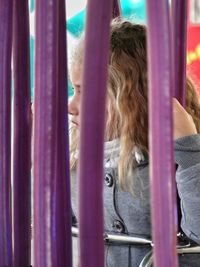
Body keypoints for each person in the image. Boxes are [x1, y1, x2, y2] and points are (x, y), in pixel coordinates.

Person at [69, 19, 200, 266]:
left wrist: (188, 149)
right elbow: (49, 226)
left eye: (83, 91)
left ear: (129, 98)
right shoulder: (77, 158)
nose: (71, 106)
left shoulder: (184, 156)